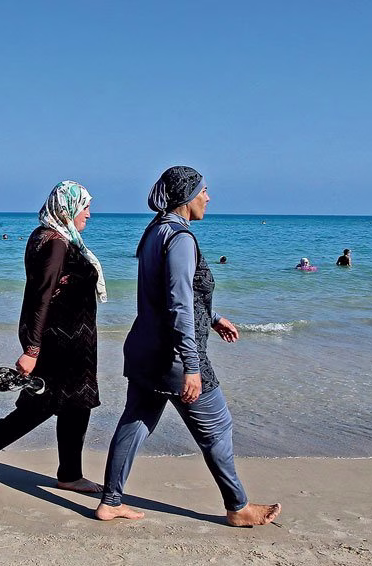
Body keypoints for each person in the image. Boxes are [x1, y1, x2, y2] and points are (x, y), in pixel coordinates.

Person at [96, 166, 281, 527]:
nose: (208, 197)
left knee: (135, 422)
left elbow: (171, 295)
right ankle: (238, 507)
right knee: (218, 428)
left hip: (145, 350)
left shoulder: (156, 230)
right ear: (187, 196)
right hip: (174, 357)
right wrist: (192, 367)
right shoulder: (180, 238)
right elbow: (179, 304)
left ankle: (110, 501)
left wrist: (213, 317)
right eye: (204, 191)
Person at [0, 180, 107, 493]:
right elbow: (41, 295)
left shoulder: (45, 235)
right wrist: (32, 349)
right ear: (68, 208)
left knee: (69, 402)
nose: (89, 214)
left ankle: (68, 473)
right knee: (61, 401)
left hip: (71, 337)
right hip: (64, 339)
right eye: (85, 207)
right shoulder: (57, 243)